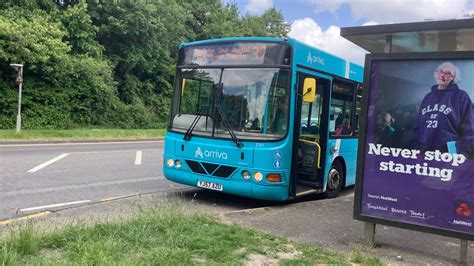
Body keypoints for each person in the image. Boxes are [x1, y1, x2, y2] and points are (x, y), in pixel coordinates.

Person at [413, 62, 474, 157]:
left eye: (448, 73)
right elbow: (418, 125)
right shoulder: (428, 97)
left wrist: (462, 154)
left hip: (448, 156)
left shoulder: (461, 96)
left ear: (454, 78)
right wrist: (416, 147)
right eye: (440, 71)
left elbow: (469, 129)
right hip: (423, 153)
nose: (442, 75)